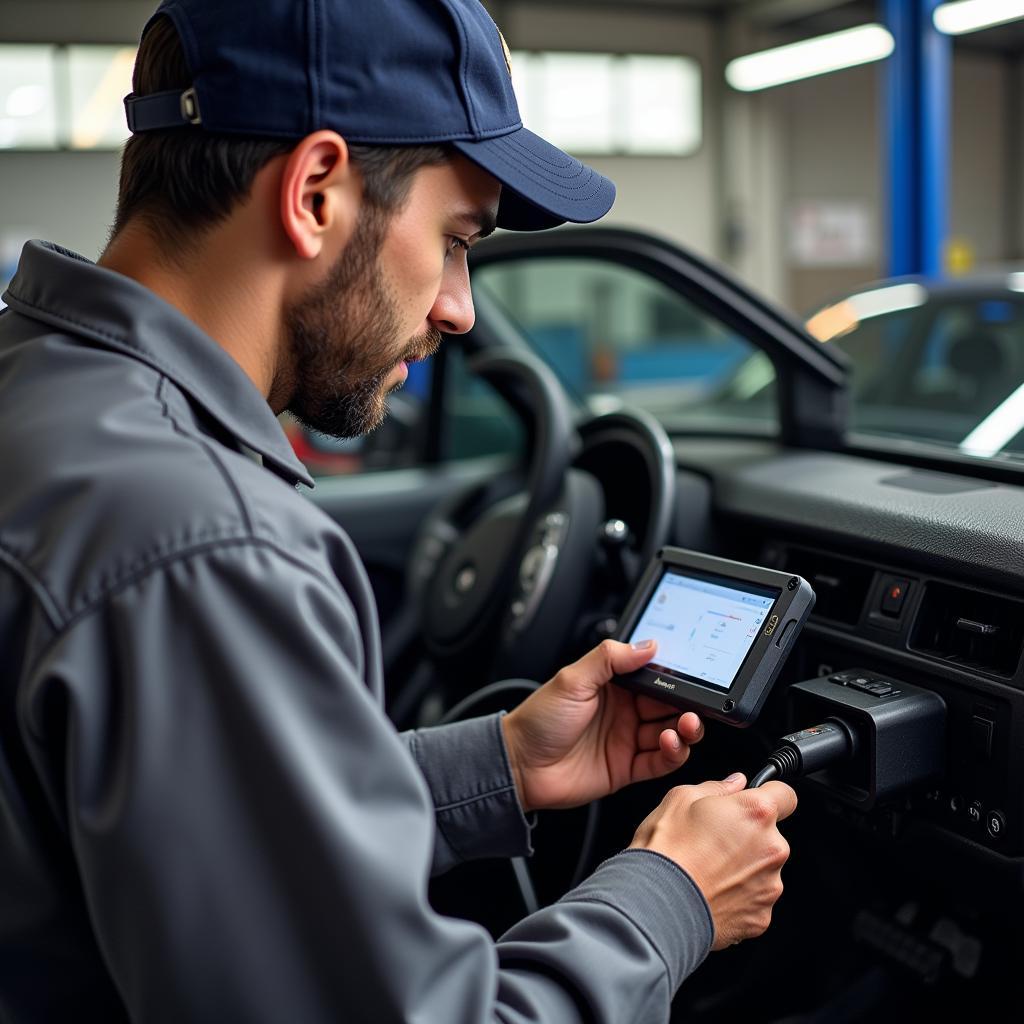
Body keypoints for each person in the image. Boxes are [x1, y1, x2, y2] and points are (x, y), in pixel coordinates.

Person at [0, 1, 796, 1021]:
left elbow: (197, 830)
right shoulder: (202, 542)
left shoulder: (46, 398)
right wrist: (671, 896)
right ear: (317, 190)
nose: (460, 306)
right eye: (456, 238)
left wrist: (495, 763)